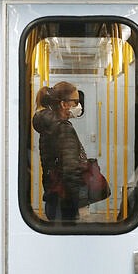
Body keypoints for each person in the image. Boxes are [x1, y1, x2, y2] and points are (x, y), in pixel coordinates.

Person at [32, 81, 85, 221]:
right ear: (63, 104)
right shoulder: (63, 128)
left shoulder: (49, 126)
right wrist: (77, 201)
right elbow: (70, 169)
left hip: (53, 195)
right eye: (75, 102)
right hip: (65, 201)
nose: (78, 106)